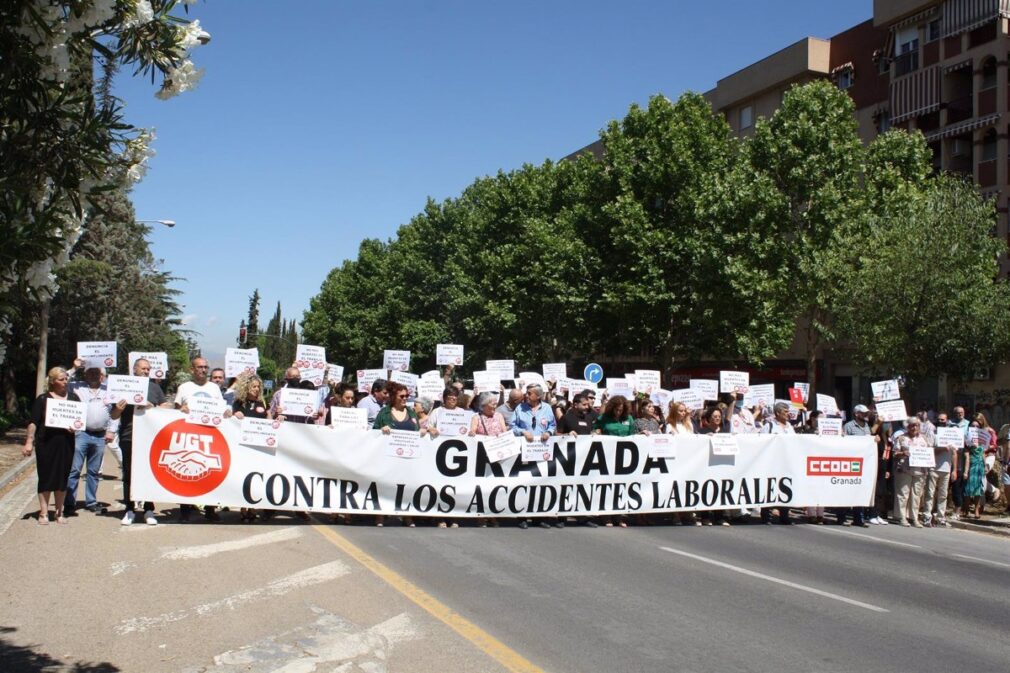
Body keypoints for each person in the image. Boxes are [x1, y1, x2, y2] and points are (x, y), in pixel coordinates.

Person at [110, 358, 168, 526]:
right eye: (143, 368)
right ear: (134, 370)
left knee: (149, 473)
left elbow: (166, 407)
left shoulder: (155, 387)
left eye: (148, 369)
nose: (146, 371)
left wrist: (153, 407)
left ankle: (149, 509)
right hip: (129, 436)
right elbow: (113, 415)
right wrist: (119, 409)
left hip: (150, 438)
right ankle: (129, 509)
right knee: (128, 473)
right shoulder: (124, 386)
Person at [23, 368, 80, 524]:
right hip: (46, 442)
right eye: (61, 379)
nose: (65, 382)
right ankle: (43, 513)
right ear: (53, 381)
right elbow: (34, 422)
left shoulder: (74, 398)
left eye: (66, 379)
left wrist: (75, 426)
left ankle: (59, 512)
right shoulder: (43, 399)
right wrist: (29, 441)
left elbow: (80, 420)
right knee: (46, 477)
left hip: (66, 443)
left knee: (63, 477)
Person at [175, 356, 227, 522]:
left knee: (210, 472)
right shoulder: (184, 387)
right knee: (186, 471)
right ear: (192, 369)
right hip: (189, 435)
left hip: (210, 435)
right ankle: (185, 509)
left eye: (206, 367)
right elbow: (174, 413)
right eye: (200, 367)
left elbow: (221, 410)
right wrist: (181, 410)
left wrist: (226, 413)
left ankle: (210, 509)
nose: (204, 370)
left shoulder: (214, 388)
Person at [373, 381, 423, 528]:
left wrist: (425, 432)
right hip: (389, 457)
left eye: (407, 395)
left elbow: (417, 430)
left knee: (407, 486)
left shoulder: (411, 412)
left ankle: (407, 516)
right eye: (402, 396)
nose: (405, 398)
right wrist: (382, 429)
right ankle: (380, 516)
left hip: (408, 457)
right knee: (385, 485)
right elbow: (374, 432)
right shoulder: (384, 413)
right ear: (394, 397)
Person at [65, 363, 113, 514]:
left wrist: (112, 430)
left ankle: (91, 501)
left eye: (96, 372)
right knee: (74, 470)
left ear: (101, 375)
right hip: (81, 433)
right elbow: (61, 380)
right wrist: (74, 367)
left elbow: (115, 412)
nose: (93, 375)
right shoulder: (77, 387)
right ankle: (69, 502)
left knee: (93, 472)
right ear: (85, 374)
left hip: (100, 435)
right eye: (90, 372)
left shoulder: (109, 390)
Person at [509, 384, 557, 529]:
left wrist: (548, 432)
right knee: (524, 483)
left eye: (529, 393)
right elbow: (511, 426)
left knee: (540, 484)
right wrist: (523, 432)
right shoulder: (520, 408)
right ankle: (522, 516)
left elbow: (553, 425)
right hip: (525, 452)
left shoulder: (547, 408)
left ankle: (538, 517)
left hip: (542, 451)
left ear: (538, 396)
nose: (526, 395)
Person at [836, 404, 873, 527]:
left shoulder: (867, 426)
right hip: (851, 462)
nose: (866, 415)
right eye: (864, 413)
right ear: (857, 414)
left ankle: (859, 518)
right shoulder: (849, 426)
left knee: (860, 490)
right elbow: (843, 442)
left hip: (864, 463)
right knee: (846, 489)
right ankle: (841, 517)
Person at [758, 402, 794, 524]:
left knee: (785, 488)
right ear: (778, 413)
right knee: (770, 488)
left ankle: (784, 515)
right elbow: (761, 442)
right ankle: (766, 516)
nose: (788, 414)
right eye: (785, 411)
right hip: (771, 463)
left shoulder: (790, 427)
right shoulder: (769, 426)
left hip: (786, 463)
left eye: (788, 411)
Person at [892, 417, 929, 527]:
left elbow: (928, 453)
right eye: (912, 425)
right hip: (904, 469)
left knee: (916, 495)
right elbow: (894, 453)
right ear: (908, 427)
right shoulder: (901, 438)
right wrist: (903, 453)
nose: (914, 427)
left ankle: (914, 518)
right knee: (903, 494)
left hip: (920, 471)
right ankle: (901, 517)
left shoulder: (924, 439)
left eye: (916, 425)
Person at [922, 411, 956, 528]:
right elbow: (930, 450)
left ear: (947, 420)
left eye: (943, 419)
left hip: (946, 469)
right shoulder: (933, 433)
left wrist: (954, 470)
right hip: (933, 467)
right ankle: (927, 516)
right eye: (939, 419)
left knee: (943, 495)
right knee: (930, 494)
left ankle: (941, 517)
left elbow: (955, 453)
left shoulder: (951, 434)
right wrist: (942, 448)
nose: (941, 421)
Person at [962, 421, 988, 519]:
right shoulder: (967, 438)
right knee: (968, 489)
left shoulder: (982, 438)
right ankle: (966, 509)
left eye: (977, 426)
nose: (975, 427)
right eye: (973, 425)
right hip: (971, 465)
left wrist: (985, 465)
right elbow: (967, 456)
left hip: (980, 466)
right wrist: (965, 471)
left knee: (978, 489)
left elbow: (983, 453)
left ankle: (976, 510)